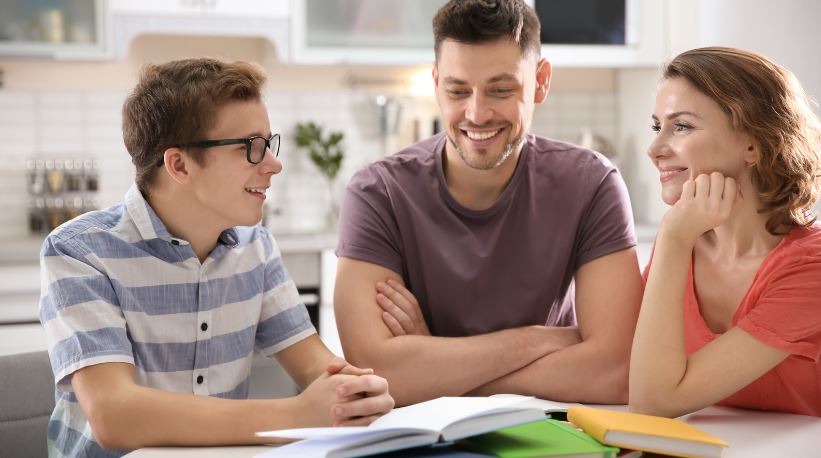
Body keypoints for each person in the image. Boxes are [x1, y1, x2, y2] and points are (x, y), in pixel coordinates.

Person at [38, 58, 394, 457]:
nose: (274, 165)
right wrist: (297, 414)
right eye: (251, 148)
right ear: (179, 165)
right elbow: (115, 417)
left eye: (268, 144)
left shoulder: (255, 247)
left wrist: (356, 392)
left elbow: (316, 367)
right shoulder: (79, 252)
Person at [334, 0, 643, 406]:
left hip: (553, 431)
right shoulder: (378, 193)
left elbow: (616, 371)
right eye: (458, 90)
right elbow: (379, 371)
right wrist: (536, 341)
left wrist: (436, 371)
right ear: (436, 83)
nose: (477, 114)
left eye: (500, 90)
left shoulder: (592, 183)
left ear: (541, 81)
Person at [630, 47, 821, 418]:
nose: (654, 149)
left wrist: (670, 238)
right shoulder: (686, 246)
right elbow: (623, 366)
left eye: (681, 126)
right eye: (658, 127)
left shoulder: (811, 269)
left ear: (753, 144)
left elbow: (652, 402)